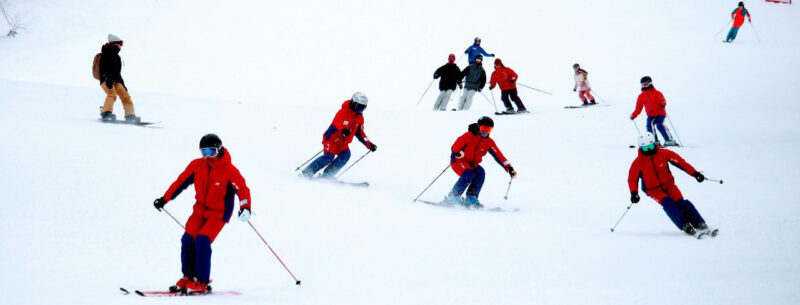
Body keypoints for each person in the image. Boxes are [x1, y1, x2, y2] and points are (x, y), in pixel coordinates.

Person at [152, 134, 252, 294]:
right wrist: (164, 199)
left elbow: (242, 190)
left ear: (219, 150)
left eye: (211, 152)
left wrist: (245, 207)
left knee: (202, 241)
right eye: (203, 152)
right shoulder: (197, 165)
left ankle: (202, 282)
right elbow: (180, 183)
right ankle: (188, 277)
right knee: (187, 239)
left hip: (218, 214)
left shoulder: (230, 171)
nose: (207, 156)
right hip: (199, 210)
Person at [628, 133, 716, 237]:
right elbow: (632, 179)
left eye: (650, 146)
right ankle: (685, 226)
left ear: (654, 144)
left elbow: (681, 163)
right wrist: (634, 193)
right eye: (645, 148)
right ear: (640, 148)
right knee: (668, 203)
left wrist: (695, 173)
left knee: (682, 203)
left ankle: (700, 223)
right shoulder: (638, 162)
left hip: (669, 185)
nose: (649, 150)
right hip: (652, 190)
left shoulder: (664, 153)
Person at [301, 92, 378, 178]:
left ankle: (327, 176)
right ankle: (307, 172)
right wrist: (342, 130)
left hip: (343, 143)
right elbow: (336, 124)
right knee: (329, 157)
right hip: (332, 138)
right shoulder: (343, 112)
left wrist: (369, 144)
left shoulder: (360, 118)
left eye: (363, 107)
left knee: (346, 154)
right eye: (359, 106)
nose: (361, 109)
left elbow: (360, 133)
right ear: (353, 103)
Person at [445, 116, 516, 208]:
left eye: (488, 129)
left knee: (480, 173)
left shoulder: (489, 142)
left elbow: (499, 155)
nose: (485, 132)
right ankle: (453, 196)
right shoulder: (469, 135)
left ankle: (471, 197)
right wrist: (457, 153)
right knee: (469, 173)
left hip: (472, 164)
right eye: (483, 128)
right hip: (458, 161)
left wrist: (509, 168)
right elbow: (456, 145)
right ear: (478, 127)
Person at [98, 33, 139, 122]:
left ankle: (130, 116)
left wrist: (122, 84)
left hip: (116, 81)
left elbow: (117, 73)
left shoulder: (117, 57)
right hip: (106, 80)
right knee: (112, 94)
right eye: (120, 44)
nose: (121, 46)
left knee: (125, 96)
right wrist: (106, 78)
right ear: (115, 44)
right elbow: (103, 69)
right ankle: (106, 114)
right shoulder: (105, 55)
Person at [630, 76, 677, 146]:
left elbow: (662, 100)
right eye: (642, 85)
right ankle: (654, 142)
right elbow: (638, 108)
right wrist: (634, 115)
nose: (644, 86)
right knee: (649, 126)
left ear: (650, 83)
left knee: (659, 125)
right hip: (651, 115)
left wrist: (662, 103)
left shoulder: (657, 93)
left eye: (645, 84)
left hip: (660, 113)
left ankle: (669, 140)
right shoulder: (641, 96)